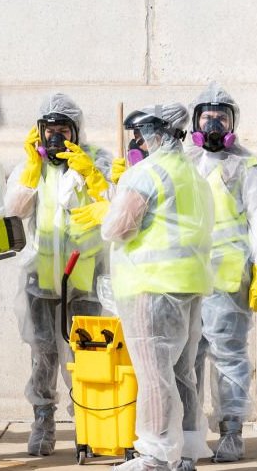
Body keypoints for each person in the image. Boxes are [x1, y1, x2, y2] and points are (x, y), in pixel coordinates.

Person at [72, 102, 214, 471]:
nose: (136, 142)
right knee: (181, 373)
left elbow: (117, 228)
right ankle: (186, 450)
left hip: (150, 288)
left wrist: (108, 206)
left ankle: (154, 455)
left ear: (155, 135)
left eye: (139, 135)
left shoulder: (147, 173)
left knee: (154, 375)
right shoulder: (193, 175)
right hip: (189, 285)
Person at [3, 93, 112, 456]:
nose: (55, 138)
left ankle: (89, 426)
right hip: (41, 277)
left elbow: (117, 204)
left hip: (84, 278)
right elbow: (14, 209)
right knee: (44, 352)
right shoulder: (32, 165)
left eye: (63, 130)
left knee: (87, 355)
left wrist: (91, 174)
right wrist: (31, 170)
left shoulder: (96, 160)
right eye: (49, 130)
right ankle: (43, 421)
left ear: (76, 131)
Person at [185, 82, 257, 463]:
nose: (213, 124)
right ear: (195, 122)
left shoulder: (246, 165)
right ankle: (189, 435)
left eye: (221, 118)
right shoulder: (184, 162)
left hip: (228, 278)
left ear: (232, 123)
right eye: (207, 117)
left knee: (228, 357)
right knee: (186, 359)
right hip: (186, 277)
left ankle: (231, 432)